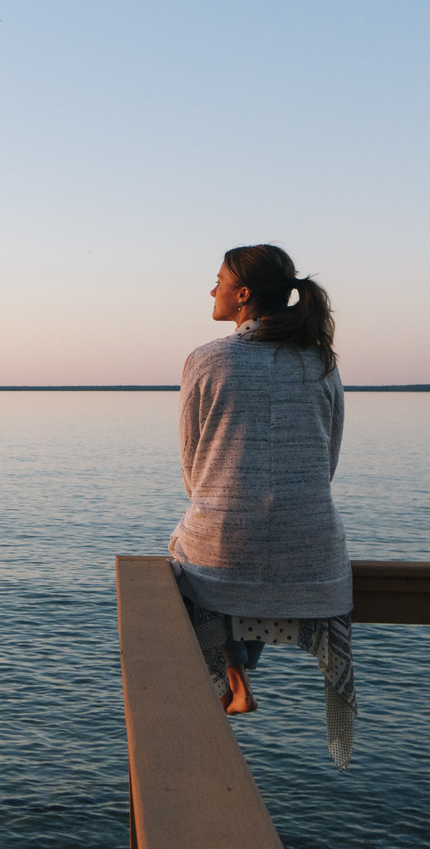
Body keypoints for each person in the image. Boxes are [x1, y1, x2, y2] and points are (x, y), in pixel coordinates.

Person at [168, 243, 356, 768]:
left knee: (195, 552)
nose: (212, 289)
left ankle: (235, 674)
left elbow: (192, 467)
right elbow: (329, 457)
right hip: (313, 548)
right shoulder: (320, 362)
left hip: (226, 544)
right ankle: (243, 664)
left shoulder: (206, 359)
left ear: (243, 296)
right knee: (251, 559)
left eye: (219, 280)